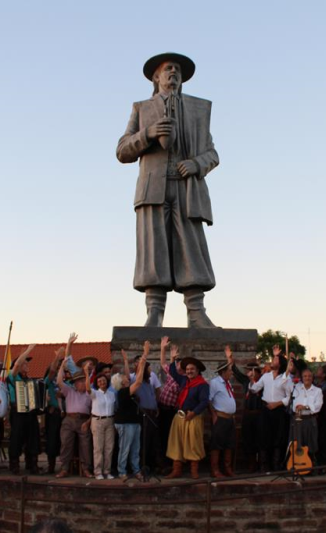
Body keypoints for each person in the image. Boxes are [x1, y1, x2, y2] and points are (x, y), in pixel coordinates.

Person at [116, 52, 220, 328]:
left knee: (191, 247)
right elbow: (122, 151)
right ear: (156, 77)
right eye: (167, 69)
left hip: (187, 187)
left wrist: (197, 163)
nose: (173, 72)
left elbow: (213, 153)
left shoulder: (199, 110)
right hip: (153, 188)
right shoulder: (141, 108)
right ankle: (154, 311)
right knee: (154, 248)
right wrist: (147, 134)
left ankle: (196, 311)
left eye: (177, 69)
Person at [249, 345, 294, 471]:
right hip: (265, 410)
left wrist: (278, 403)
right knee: (264, 436)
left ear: (280, 364)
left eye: (275, 360)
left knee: (278, 437)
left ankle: (276, 465)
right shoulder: (266, 376)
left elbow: (289, 397)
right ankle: (264, 465)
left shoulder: (286, 378)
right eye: (273, 359)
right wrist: (252, 380)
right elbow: (255, 389)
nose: (272, 361)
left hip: (278, 410)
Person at [165, 354, 210, 479]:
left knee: (193, 444)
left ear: (197, 371)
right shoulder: (184, 380)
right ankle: (176, 470)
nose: (189, 371)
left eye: (192, 369)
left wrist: (194, 413)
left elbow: (204, 402)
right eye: (188, 369)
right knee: (177, 443)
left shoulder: (203, 385)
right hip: (180, 416)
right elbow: (173, 371)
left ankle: (194, 471)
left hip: (193, 417)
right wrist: (173, 358)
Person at [56, 348, 93, 478]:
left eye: (83, 381)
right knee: (66, 442)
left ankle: (86, 469)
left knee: (86, 445)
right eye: (79, 381)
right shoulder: (69, 391)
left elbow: (94, 411)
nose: (82, 383)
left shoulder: (89, 394)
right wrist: (61, 366)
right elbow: (59, 381)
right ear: (75, 383)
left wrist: (88, 423)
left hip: (84, 420)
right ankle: (64, 468)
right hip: (69, 419)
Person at [113, 348, 148, 480]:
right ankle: (122, 471)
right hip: (125, 423)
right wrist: (143, 360)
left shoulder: (128, 391)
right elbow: (138, 381)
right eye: (123, 377)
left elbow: (135, 377)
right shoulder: (122, 392)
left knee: (135, 449)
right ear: (121, 382)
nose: (126, 377)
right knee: (124, 448)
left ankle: (136, 470)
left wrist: (142, 356)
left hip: (134, 422)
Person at [7, 344, 40, 475]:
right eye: (24, 363)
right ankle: (14, 465)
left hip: (30, 413)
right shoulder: (13, 376)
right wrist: (28, 351)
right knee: (16, 438)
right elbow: (15, 365)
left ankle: (32, 464)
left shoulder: (30, 380)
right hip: (18, 412)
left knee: (33, 437)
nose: (27, 365)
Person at [208, 346, 238, 478]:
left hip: (229, 419)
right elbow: (209, 400)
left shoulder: (227, 383)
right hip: (220, 418)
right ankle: (215, 470)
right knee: (217, 444)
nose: (231, 373)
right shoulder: (215, 383)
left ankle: (227, 468)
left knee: (229, 444)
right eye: (229, 371)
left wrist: (229, 357)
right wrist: (214, 415)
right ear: (223, 372)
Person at [232, 358, 264, 473]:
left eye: (250, 371)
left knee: (260, 439)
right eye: (247, 371)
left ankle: (261, 463)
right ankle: (251, 464)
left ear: (256, 372)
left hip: (259, 415)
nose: (248, 373)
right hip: (247, 415)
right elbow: (236, 372)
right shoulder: (246, 381)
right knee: (248, 439)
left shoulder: (263, 382)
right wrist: (231, 359)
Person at [87, 361, 117, 480]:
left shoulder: (111, 394)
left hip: (110, 421)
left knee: (109, 448)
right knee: (98, 448)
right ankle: (98, 472)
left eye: (104, 380)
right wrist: (86, 373)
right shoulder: (94, 393)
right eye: (99, 381)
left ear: (107, 381)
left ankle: (107, 471)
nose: (102, 382)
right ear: (97, 383)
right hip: (98, 421)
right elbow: (87, 388)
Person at [290, 367, 323, 471]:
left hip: (310, 420)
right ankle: (297, 466)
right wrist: (308, 408)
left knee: (311, 444)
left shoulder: (318, 391)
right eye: (305, 376)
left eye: (309, 376)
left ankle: (310, 468)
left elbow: (317, 408)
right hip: (298, 420)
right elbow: (295, 406)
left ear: (312, 377)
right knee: (297, 444)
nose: (307, 378)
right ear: (302, 378)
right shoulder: (296, 389)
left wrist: (304, 408)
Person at [157, 336, 181, 471]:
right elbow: (162, 363)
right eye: (177, 363)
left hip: (171, 411)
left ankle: (169, 464)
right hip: (162, 408)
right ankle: (161, 464)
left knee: (168, 437)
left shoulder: (182, 380)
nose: (177, 366)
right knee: (160, 436)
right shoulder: (172, 373)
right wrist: (163, 348)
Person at [42, 347, 65, 474]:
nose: (57, 372)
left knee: (63, 441)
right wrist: (57, 357)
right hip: (53, 413)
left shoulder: (63, 383)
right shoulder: (48, 382)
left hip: (63, 415)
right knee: (51, 440)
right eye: (57, 370)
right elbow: (51, 370)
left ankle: (64, 467)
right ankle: (51, 466)